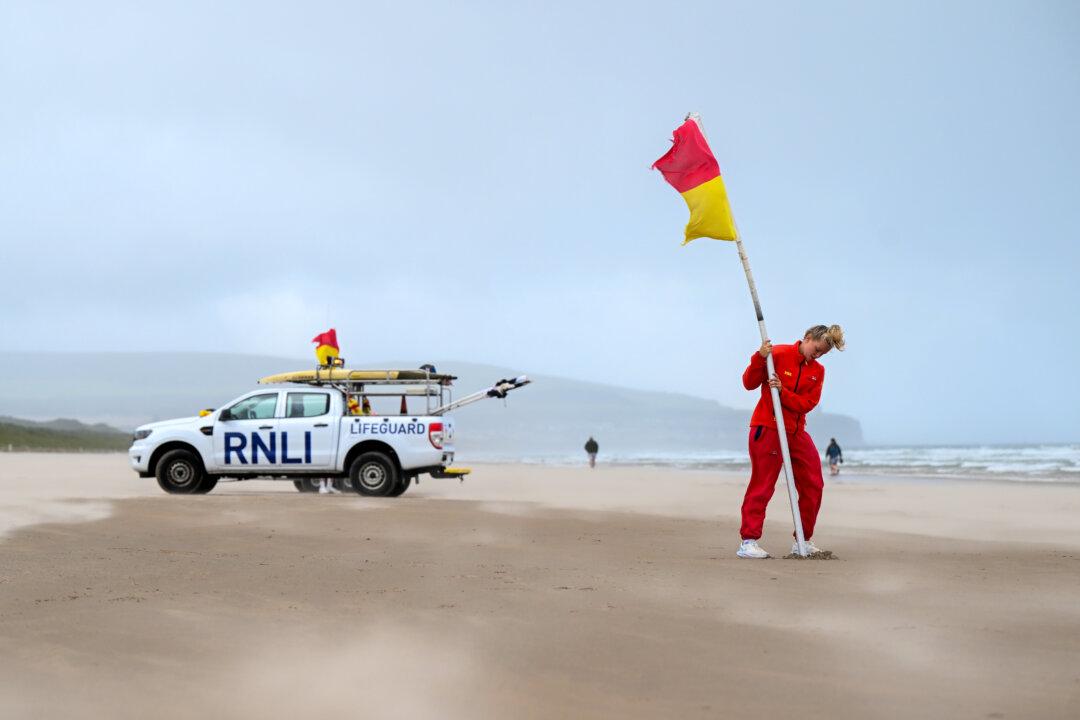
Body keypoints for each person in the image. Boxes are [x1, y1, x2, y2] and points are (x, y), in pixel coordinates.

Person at [736, 325, 845, 559]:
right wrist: (760, 358)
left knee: (814, 484)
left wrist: (783, 392)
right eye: (816, 349)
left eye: (823, 353)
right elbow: (748, 382)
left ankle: (803, 540)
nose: (818, 355)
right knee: (763, 483)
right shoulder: (777, 354)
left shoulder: (818, 371)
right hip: (768, 427)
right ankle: (748, 541)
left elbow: (808, 403)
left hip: (796, 431)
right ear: (807, 339)